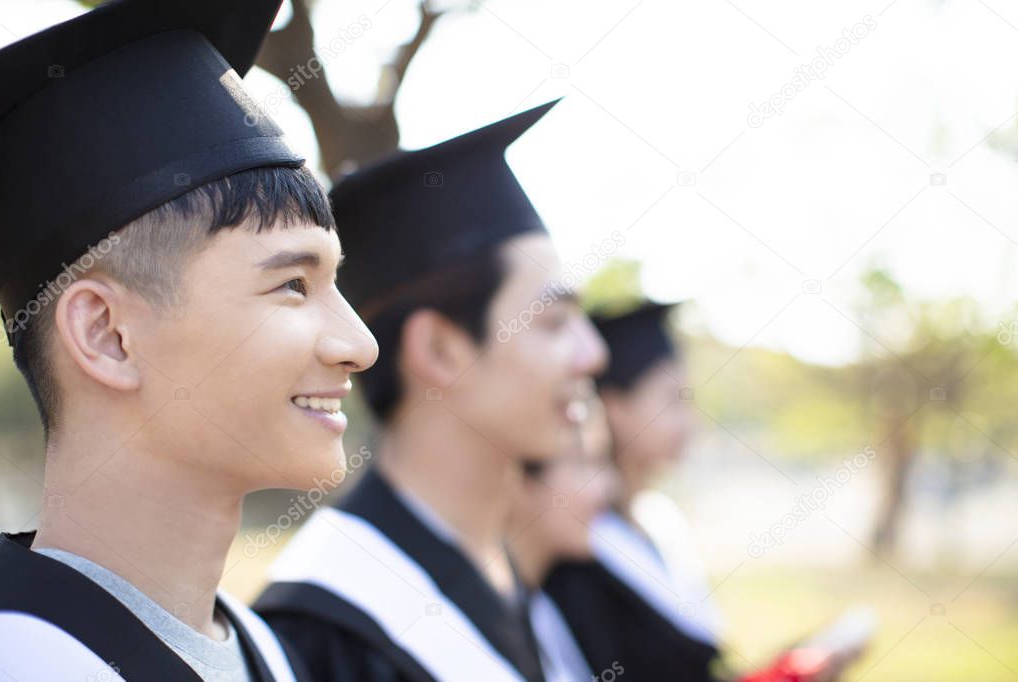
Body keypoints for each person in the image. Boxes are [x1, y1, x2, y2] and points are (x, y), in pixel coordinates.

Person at [0, 1, 377, 680]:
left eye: (335, 284)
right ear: (109, 335)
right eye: (292, 284)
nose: (359, 343)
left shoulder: (266, 654)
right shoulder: (24, 661)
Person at [254, 101, 608, 682]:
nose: (594, 354)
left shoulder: (505, 570)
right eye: (552, 323)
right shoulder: (330, 630)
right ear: (440, 351)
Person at [544, 301, 725, 682]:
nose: (690, 424)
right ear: (614, 407)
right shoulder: (576, 548)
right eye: (673, 400)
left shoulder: (661, 520)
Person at [507, 392, 619, 682]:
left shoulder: (544, 611)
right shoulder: (486, 621)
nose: (608, 488)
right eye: (585, 465)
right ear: (517, 476)